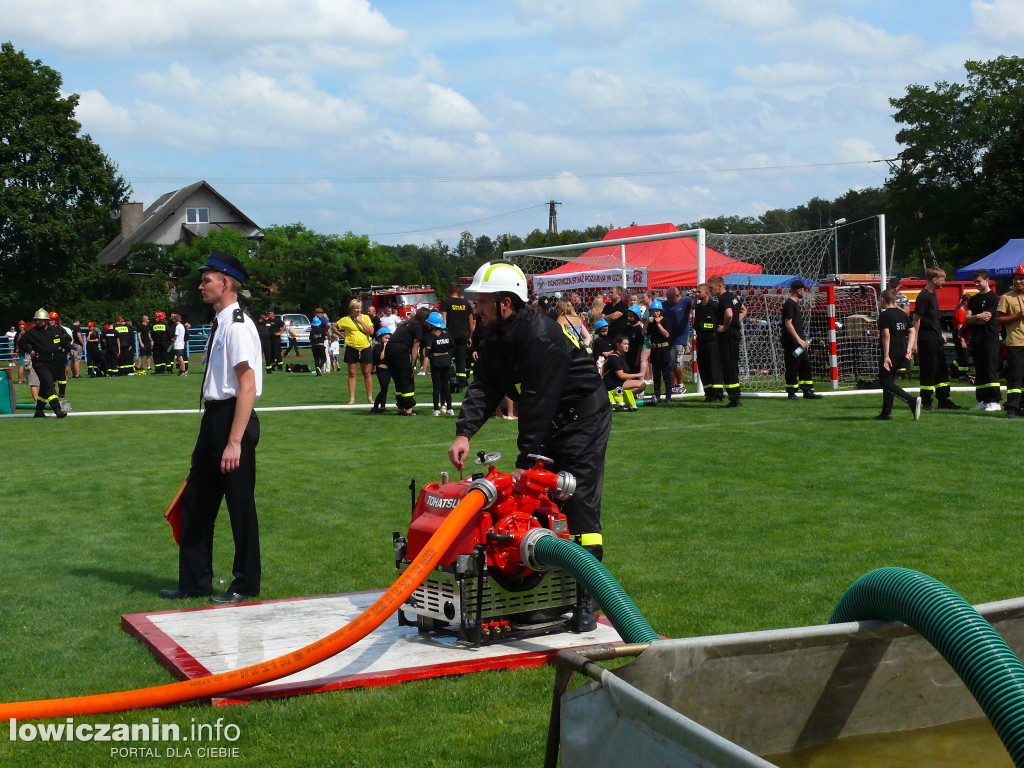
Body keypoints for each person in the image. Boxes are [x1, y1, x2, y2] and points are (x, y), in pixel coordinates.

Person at [448, 261, 611, 630]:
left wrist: (527, 460)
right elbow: (484, 386)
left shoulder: (540, 336)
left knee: (577, 502)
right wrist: (464, 432)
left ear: (505, 303)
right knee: (536, 503)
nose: (476, 309)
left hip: (581, 422)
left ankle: (587, 599)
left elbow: (538, 401)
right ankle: (544, 594)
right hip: (551, 419)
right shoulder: (493, 335)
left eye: (482, 302)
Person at [160, 250, 263, 604]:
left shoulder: (236, 327)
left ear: (227, 283)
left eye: (207, 280)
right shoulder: (221, 323)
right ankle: (194, 583)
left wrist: (233, 442)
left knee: (239, 505)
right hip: (214, 419)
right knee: (195, 501)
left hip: (233, 419)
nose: (201, 285)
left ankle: (245, 584)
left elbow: (246, 387)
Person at [911, 267, 960, 411]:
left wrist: (941, 333)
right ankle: (926, 401)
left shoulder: (933, 295)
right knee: (928, 370)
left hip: (936, 339)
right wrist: (915, 341)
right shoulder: (923, 296)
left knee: (941, 369)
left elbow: (933, 319)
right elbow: (916, 319)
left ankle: (943, 399)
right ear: (934, 279)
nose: (944, 282)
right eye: (942, 279)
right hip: (926, 340)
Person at [875, 289, 921, 421]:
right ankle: (886, 412)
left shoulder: (885, 315)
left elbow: (886, 335)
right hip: (901, 350)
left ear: (883, 300)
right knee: (889, 381)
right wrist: (909, 349)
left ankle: (911, 400)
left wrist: (886, 356)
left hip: (891, 351)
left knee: (884, 382)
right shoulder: (901, 314)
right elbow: (912, 330)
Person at [19, 309, 70, 418]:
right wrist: (30, 350)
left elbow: (64, 341)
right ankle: (57, 410)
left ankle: (39, 411)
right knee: (49, 385)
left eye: (41, 320)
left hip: (53, 362)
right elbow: (21, 342)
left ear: (47, 320)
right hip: (40, 363)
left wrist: (70, 348)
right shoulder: (32, 332)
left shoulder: (55, 331)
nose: (38, 322)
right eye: (37, 320)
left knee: (44, 388)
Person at [965, 270, 1002, 411]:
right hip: (977, 339)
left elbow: (986, 318)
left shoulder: (994, 298)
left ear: (987, 280)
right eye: (974, 282)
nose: (976, 284)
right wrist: (977, 317)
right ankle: (983, 400)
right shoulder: (973, 300)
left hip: (990, 338)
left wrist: (976, 318)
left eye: (979, 281)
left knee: (990, 369)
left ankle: (994, 400)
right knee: (979, 369)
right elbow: (967, 319)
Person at [780, 281, 823, 400]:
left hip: (800, 342)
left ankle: (807, 390)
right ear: (799, 290)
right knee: (792, 366)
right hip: (792, 343)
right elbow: (788, 323)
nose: (804, 292)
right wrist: (798, 339)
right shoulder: (789, 304)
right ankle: (791, 392)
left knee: (805, 365)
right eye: (803, 290)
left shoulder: (795, 304)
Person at [385, 307, 430, 415]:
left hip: (389, 349)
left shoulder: (407, 323)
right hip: (400, 351)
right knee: (407, 378)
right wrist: (413, 366)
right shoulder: (419, 327)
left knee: (398, 379)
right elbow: (415, 348)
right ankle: (408, 409)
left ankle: (401, 407)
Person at [708, 275, 742, 407]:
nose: (710, 290)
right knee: (732, 366)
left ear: (720, 286)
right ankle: (735, 396)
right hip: (734, 334)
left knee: (728, 367)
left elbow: (729, 314)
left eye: (711, 288)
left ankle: (734, 398)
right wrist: (735, 323)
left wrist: (725, 327)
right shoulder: (733, 296)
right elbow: (744, 310)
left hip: (727, 336)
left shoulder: (723, 299)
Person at [997, 264, 1024, 419]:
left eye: (1021, 279)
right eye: (1016, 279)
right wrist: (1017, 316)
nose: (1018, 282)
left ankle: (1022, 405)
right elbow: (998, 320)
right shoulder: (1007, 297)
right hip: (1016, 342)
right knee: (1015, 376)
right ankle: (1012, 407)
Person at [337, 299, 374, 404]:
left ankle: (370, 397)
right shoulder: (346, 319)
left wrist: (360, 321)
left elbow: (371, 331)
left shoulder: (366, 318)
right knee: (352, 373)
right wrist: (342, 336)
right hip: (351, 348)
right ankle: (352, 398)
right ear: (352, 308)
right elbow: (334, 326)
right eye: (356, 308)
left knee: (367, 372)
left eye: (359, 308)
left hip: (364, 347)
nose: (358, 310)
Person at [440, 282, 475, 393]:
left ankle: (451, 377)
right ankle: (461, 383)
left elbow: (443, 320)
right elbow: (471, 323)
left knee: (447, 357)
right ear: (459, 290)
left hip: (450, 335)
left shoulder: (446, 303)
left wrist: (442, 333)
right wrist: (470, 336)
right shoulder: (466, 303)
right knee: (461, 360)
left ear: (449, 290)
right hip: (462, 335)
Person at [692, 283, 723, 402]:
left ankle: (718, 395)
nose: (697, 294)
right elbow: (692, 306)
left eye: (699, 292)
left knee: (714, 366)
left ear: (706, 293)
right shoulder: (698, 308)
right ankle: (709, 393)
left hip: (712, 340)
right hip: (701, 340)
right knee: (703, 366)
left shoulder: (714, 306)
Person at [424, 311, 454, 415]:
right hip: (446, 360)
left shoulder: (431, 335)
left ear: (432, 324)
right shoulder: (447, 333)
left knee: (436, 386)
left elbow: (428, 347)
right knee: (445, 386)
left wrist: (428, 354)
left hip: (436, 361)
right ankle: (449, 408)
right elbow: (453, 346)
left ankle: (436, 409)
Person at [645, 299, 673, 402]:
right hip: (655, 350)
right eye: (653, 311)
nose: (655, 313)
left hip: (664, 350)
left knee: (666, 375)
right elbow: (644, 333)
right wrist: (647, 323)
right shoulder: (651, 322)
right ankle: (657, 396)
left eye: (657, 311)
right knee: (656, 377)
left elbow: (667, 335)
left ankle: (668, 396)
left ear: (661, 311)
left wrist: (659, 324)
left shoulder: (666, 321)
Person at [603, 335, 646, 400]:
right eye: (625, 344)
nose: (627, 346)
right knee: (641, 385)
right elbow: (621, 376)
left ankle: (624, 396)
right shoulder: (615, 358)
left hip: (619, 382)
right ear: (618, 345)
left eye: (628, 344)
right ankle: (620, 396)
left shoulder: (621, 357)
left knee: (639, 385)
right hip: (612, 384)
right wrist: (638, 374)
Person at [371, 327, 391, 413]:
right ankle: (375, 406)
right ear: (380, 338)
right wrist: (385, 347)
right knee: (384, 388)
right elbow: (381, 357)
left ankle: (383, 406)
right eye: (385, 338)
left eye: (388, 338)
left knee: (385, 388)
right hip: (381, 369)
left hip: (388, 369)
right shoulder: (377, 347)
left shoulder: (389, 347)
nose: (387, 340)